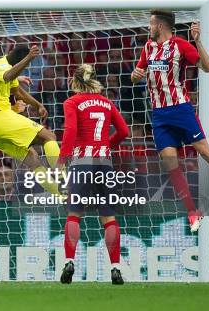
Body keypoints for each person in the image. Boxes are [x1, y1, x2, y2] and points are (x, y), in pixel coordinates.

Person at [130, 10, 209, 233]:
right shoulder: (147, 48)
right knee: (170, 162)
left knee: (205, 151)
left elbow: (207, 67)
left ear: (161, 26)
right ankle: (192, 212)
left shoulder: (181, 45)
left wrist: (198, 41)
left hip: (181, 109)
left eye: (151, 24)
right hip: (159, 114)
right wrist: (136, 74)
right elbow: (138, 72)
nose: (148, 28)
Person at [58, 64, 129, 286]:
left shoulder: (72, 102)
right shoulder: (107, 102)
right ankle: (115, 267)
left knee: (74, 214)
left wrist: (62, 158)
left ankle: (69, 261)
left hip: (82, 163)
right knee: (109, 218)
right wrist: (107, 145)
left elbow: (70, 131)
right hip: (105, 163)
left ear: (75, 81)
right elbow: (124, 131)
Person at [0, 44, 63, 194]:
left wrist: (38, 104)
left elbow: (18, 92)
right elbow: (8, 75)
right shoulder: (0, 65)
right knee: (49, 136)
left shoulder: (1, 67)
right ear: (19, 63)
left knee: (32, 157)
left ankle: (61, 195)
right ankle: (63, 179)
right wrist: (29, 58)